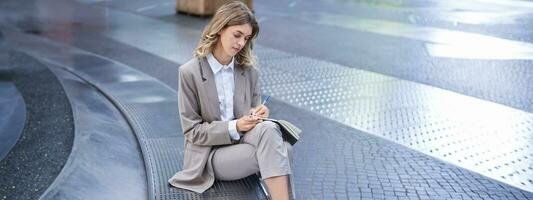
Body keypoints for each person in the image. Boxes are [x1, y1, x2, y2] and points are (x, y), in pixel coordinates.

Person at [168, 1, 294, 200]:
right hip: (210, 155)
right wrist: (235, 126)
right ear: (219, 28)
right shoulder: (190, 72)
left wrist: (258, 114)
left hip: (245, 142)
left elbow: (252, 114)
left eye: (246, 38)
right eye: (237, 35)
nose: (241, 43)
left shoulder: (249, 71)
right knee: (282, 151)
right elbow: (193, 132)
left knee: (270, 130)